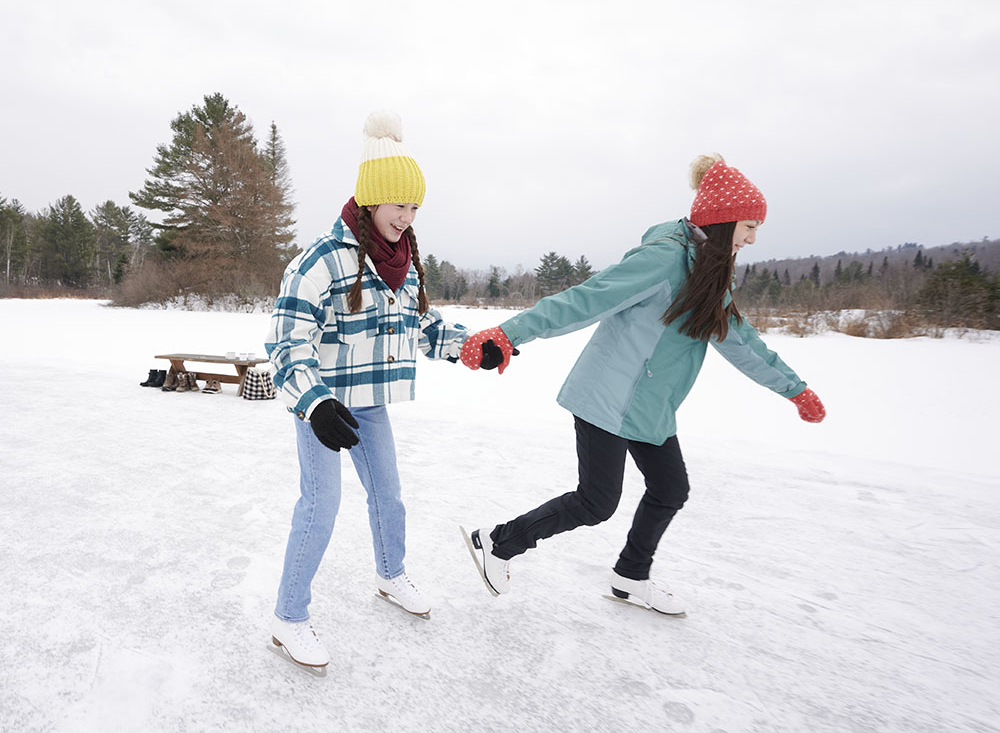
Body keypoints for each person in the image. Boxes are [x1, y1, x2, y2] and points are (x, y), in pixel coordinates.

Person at [459, 153, 826, 616]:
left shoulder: (711, 274)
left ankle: (630, 577)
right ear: (723, 220)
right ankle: (498, 542)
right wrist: (507, 335)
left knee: (670, 489)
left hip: (651, 407)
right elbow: (585, 300)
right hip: (608, 398)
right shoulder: (666, 259)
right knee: (596, 502)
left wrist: (793, 388)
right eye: (749, 226)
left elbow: (741, 342)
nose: (753, 238)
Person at [265, 111, 469, 670]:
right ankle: (288, 616)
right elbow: (286, 342)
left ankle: (390, 574)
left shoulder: (400, 265)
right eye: (398, 206)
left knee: (389, 494)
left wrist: (473, 346)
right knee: (321, 504)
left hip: (370, 402)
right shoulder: (322, 260)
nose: (407, 218)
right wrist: (316, 402)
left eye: (415, 208)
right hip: (323, 407)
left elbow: (419, 327)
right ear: (370, 203)